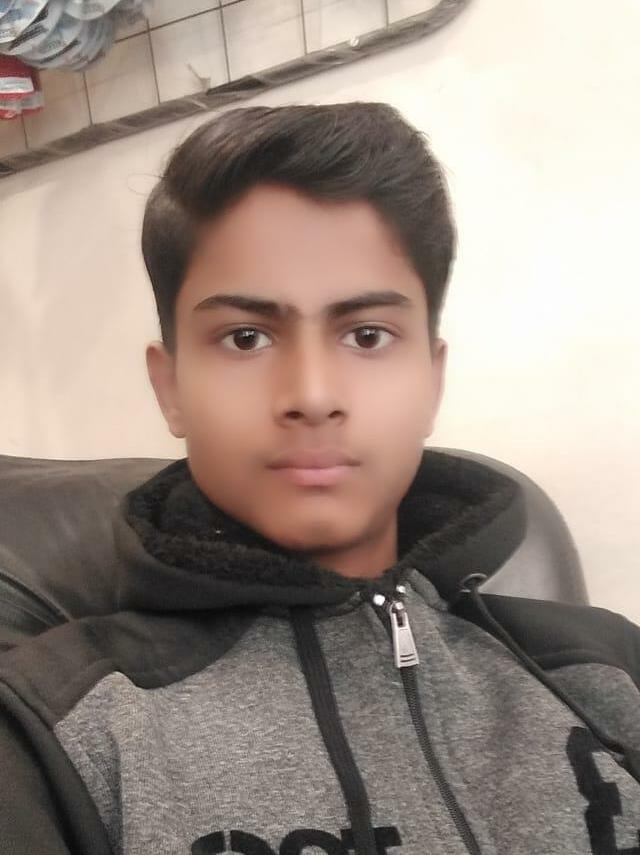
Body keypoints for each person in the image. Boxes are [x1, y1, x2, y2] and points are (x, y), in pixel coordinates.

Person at [0, 101, 639, 855]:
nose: (310, 393)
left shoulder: (608, 668)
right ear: (170, 387)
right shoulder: (45, 730)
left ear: (432, 381)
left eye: (367, 335)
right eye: (246, 337)